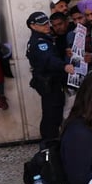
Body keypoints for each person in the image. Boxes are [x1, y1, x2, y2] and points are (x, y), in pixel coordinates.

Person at [27, 10, 73, 142]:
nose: (47, 26)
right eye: (42, 24)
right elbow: (48, 59)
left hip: (52, 81)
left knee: (54, 112)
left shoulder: (44, 38)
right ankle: (48, 144)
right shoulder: (39, 42)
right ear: (33, 26)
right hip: (48, 82)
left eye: (47, 23)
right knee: (51, 114)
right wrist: (64, 66)